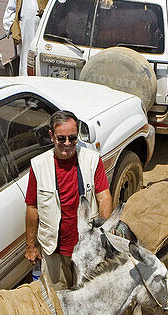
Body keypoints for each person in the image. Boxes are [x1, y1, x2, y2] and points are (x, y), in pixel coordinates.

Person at [24, 111, 112, 292]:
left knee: (89, 295)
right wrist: (31, 246)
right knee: (59, 300)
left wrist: (105, 234)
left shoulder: (92, 160)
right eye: (61, 138)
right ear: (51, 136)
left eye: (72, 138)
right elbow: (32, 208)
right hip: (54, 251)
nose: (67, 144)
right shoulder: (39, 166)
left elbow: (103, 196)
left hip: (86, 248)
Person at [3, 0, 55, 76]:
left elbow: (56, 8)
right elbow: (10, 10)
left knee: (41, 56)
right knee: (25, 58)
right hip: (24, 30)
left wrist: (47, 14)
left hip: (42, 29)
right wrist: (12, 28)